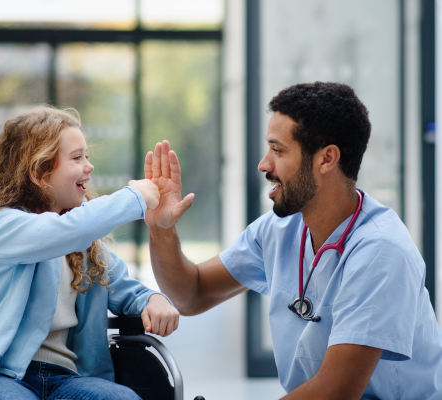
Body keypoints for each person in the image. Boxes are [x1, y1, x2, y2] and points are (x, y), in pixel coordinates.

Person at [144, 82, 442, 399]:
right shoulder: (278, 230)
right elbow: (192, 294)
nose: (263, 164)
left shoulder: (381, 251)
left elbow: (335, 392)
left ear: (326, 159)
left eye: (278, 150)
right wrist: (162, 230)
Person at [0, 106, 179, 400]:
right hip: (3, 377)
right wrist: (134, 198)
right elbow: (64, 231)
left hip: (67, 380)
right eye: (77, 158)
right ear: (38, 172)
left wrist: (154, 299)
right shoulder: (4, 226)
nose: (89, 166)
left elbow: (126, 288)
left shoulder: (85, 247)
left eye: (87, 156)